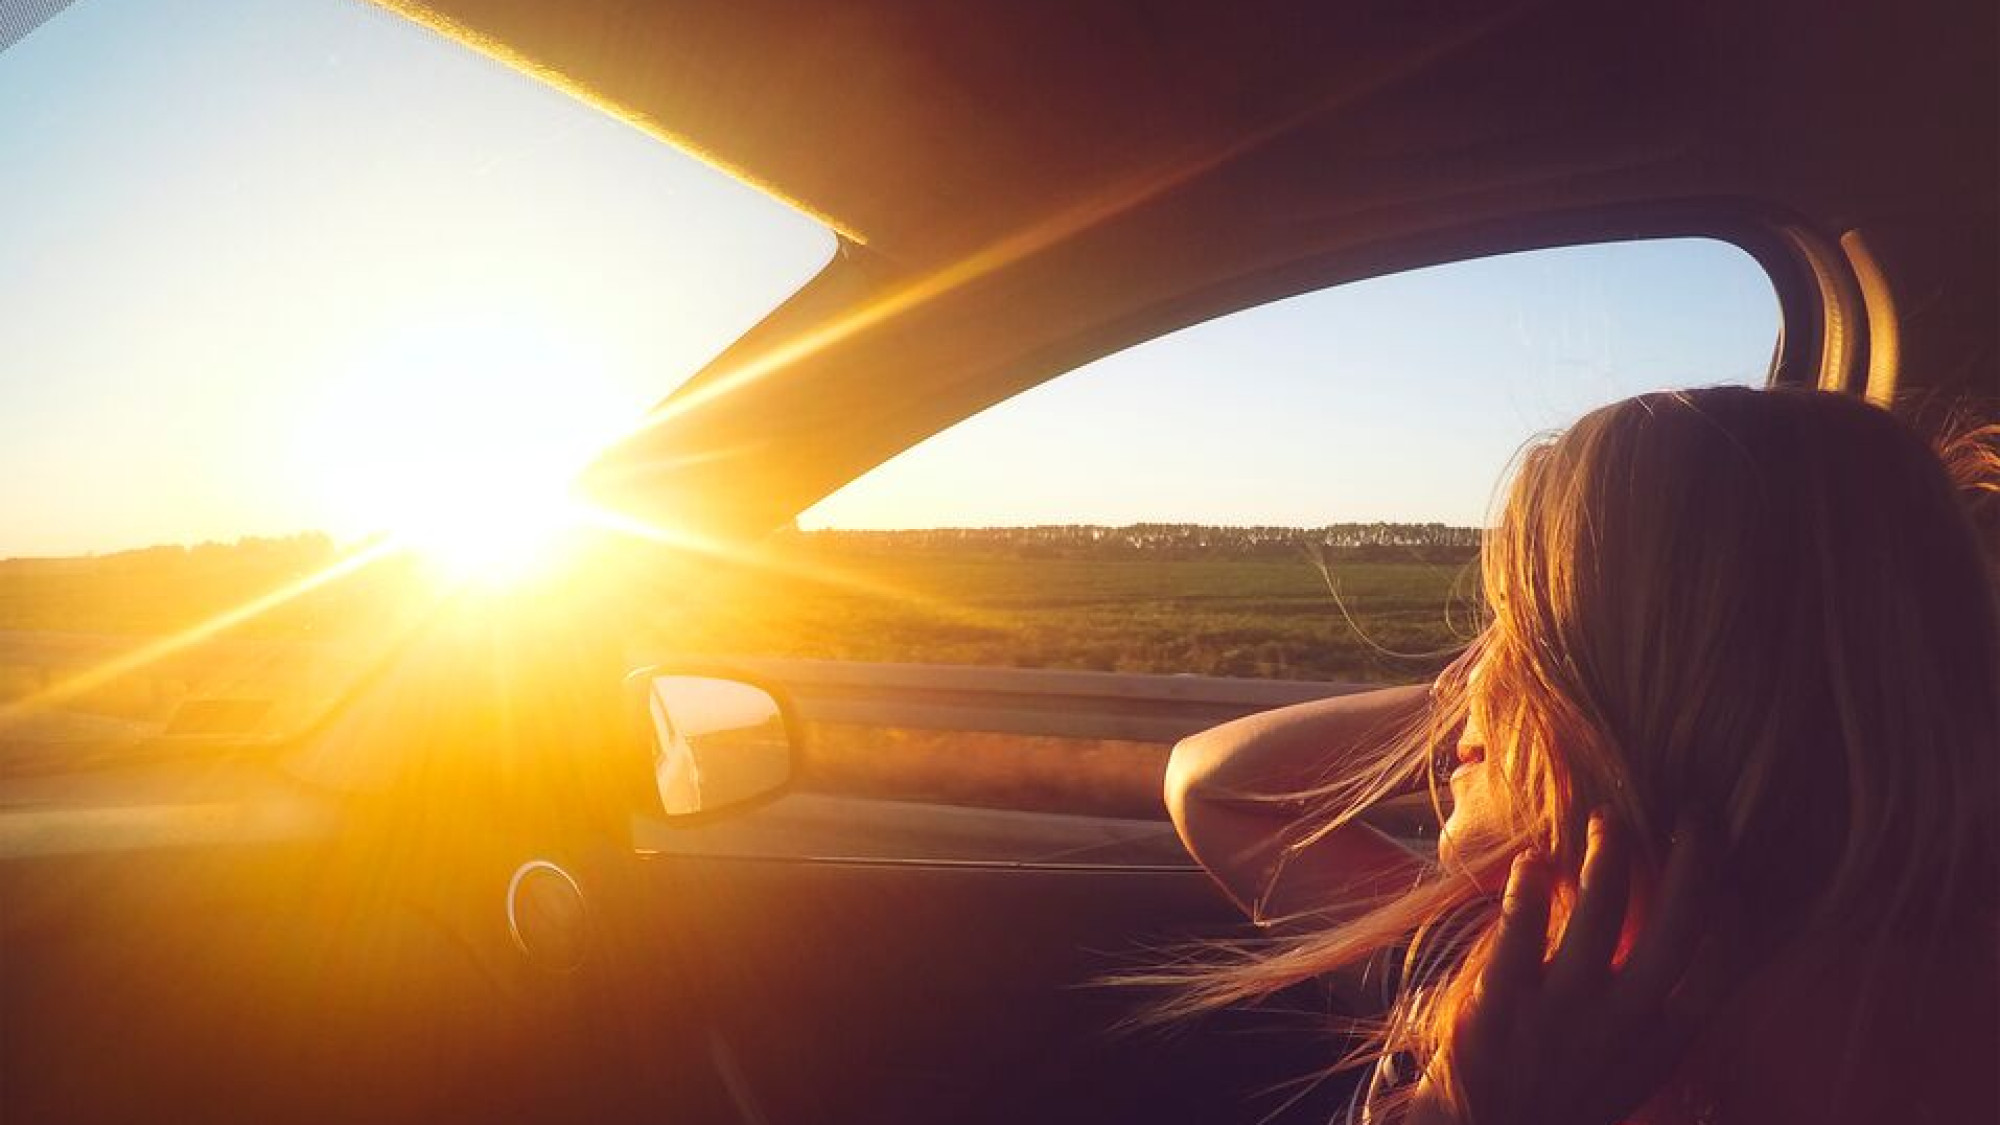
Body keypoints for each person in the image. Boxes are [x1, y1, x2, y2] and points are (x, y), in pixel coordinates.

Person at [1160, 387, 1999, 1124]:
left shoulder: (1874, 1080)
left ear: (1665, 694)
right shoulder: (1495, 956)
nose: (1465, 671)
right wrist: (1502, 703)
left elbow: (1215, 795)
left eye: (1525, 635)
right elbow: (1206, 783)